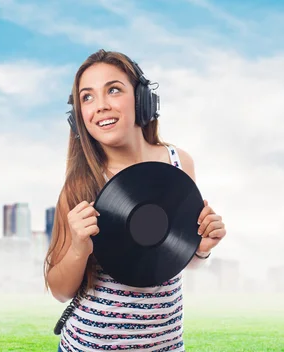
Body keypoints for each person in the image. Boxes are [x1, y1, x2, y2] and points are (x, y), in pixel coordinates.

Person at [44, 49, 227, 352]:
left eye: (113, 90)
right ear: (79, 117)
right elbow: (60, 291)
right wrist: (78, 247)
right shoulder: (80, 185)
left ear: (142, 100)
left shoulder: (179, 162)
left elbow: (179, 260)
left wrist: (202, 249)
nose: (100, 106)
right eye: (87, 97)